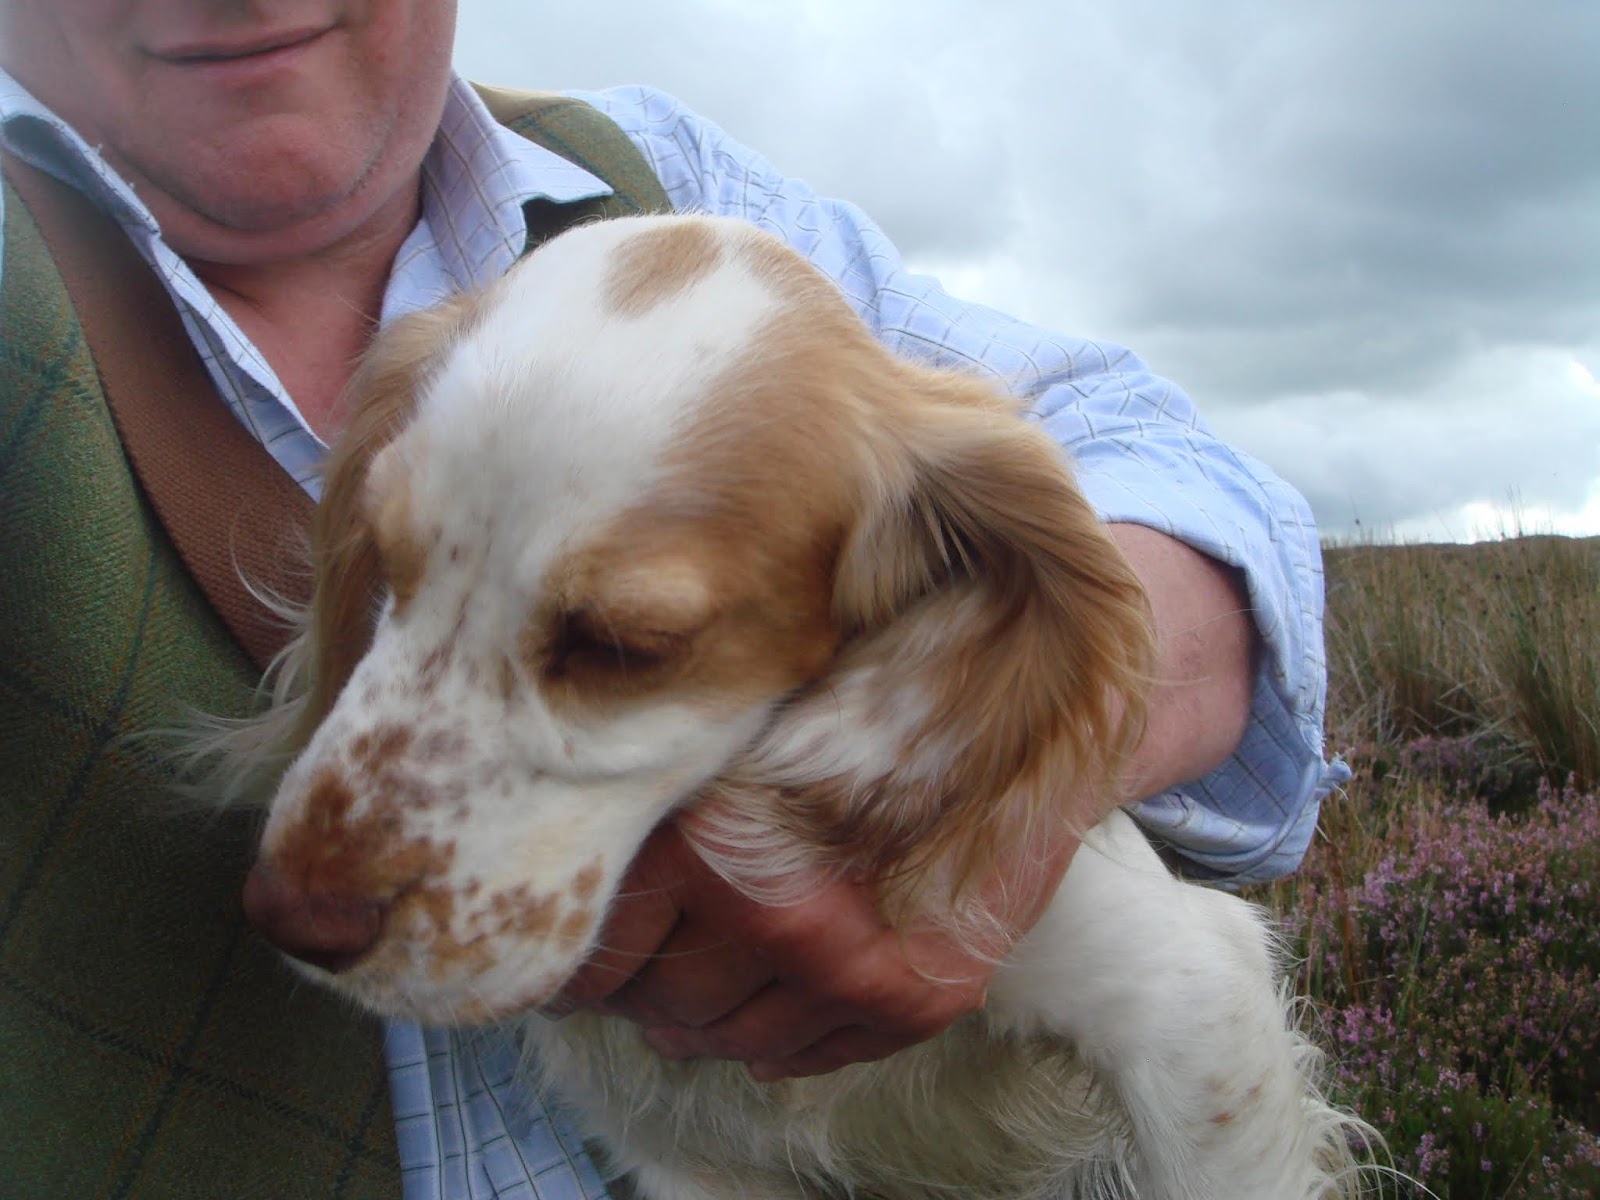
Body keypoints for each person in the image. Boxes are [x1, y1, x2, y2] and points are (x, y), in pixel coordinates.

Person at [0, 3, 1345, 1197]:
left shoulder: (649, 179)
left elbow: (1156, 453)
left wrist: (964, 776)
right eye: (396, 568)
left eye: (616, 639)